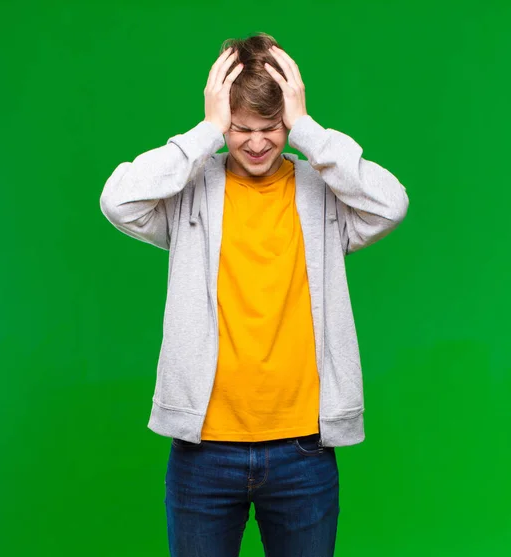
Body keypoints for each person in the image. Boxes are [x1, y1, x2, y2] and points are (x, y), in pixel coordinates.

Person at [100, 32, 409, 557]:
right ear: (224, 123)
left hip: (303, 451)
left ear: (288, 120)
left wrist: (310, 131)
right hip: (203, 451)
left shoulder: (322, 195)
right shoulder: (192, 191)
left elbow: (391, 204)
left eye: (272, 128)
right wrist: (204, 132)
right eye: (241, 129)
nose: (258, 143)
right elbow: (118, 200)